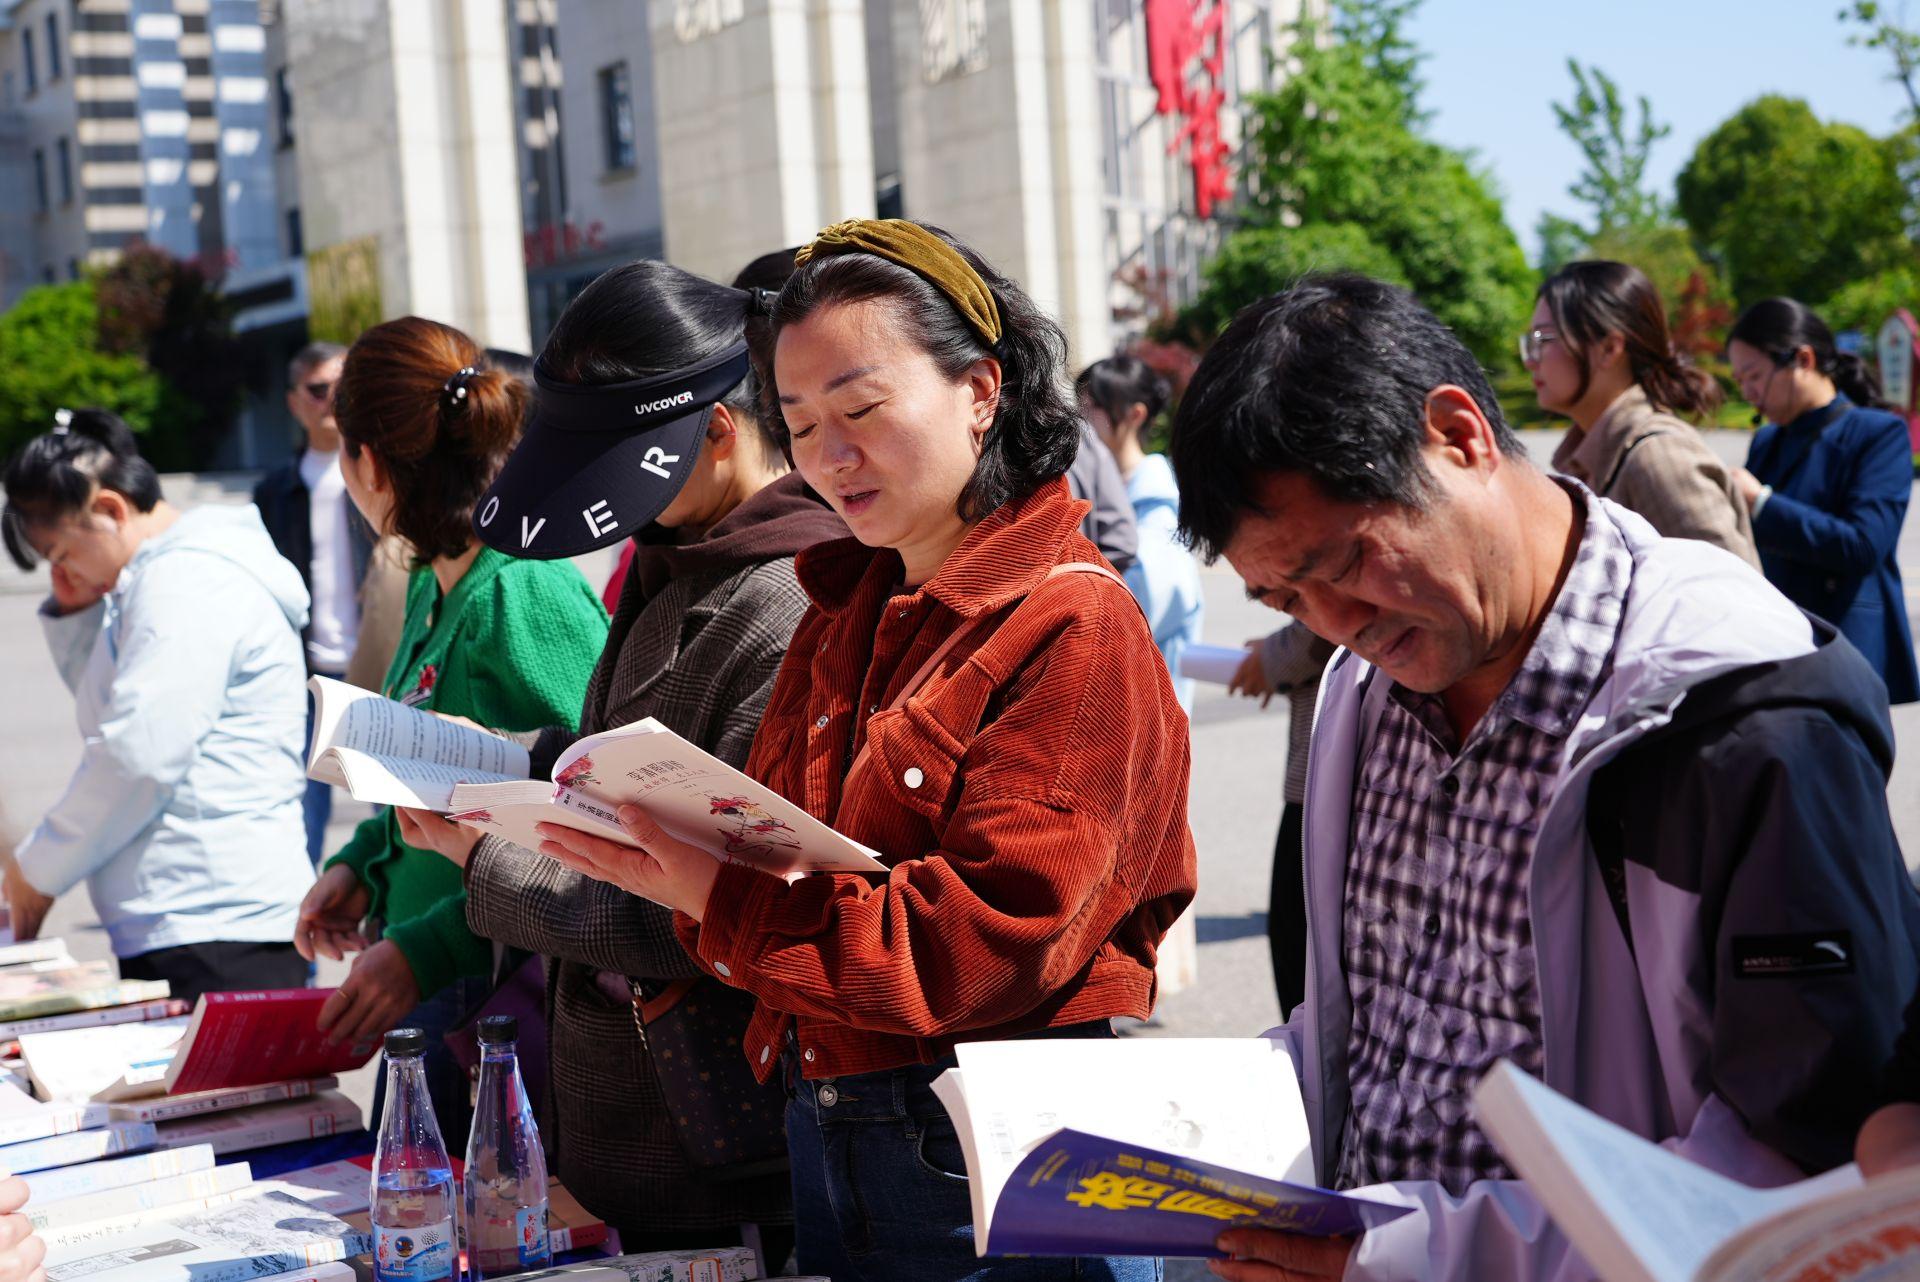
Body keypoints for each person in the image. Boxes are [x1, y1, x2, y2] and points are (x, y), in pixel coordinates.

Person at [1166, 273, 1920, 1282]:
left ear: (1458, 435)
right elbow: (1371, 1032)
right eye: (1284, 597)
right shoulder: (1363, 687)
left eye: (1343, 561)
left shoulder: (1735, 711)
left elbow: (1804, 1160)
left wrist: (1410, 1248)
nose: (1334, 623)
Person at [530, 218, 1197, 1282]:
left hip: (983, 1154)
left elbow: (986, 943)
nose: (830, 457)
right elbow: (792, 847)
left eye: (862, 409)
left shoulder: (1072, 625)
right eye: (798, 423)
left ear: (981, 391)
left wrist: (717, 892)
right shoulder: (843, 606)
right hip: (827, 1122)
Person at [396, 258, 843, 1260]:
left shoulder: (793, 602)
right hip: (629, 1123)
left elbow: (709, 903)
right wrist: (491, 762)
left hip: (719, 1144)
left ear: (719, 432)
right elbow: (606, 761)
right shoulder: (672, 560)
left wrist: (483, 857)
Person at [291, 319, 607, 1146]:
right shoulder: (438, 585)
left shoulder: (522, 591)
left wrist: (426, 951)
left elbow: (596, 823)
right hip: (442, 987)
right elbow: (437, 767)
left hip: (501, 1002)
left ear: (364, 461)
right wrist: (362, 868)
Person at [1, 411, 313, 1003]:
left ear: (112, 511)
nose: (62, 571)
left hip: (215, 924)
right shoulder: (164, 578)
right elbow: (116, 714)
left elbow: (136, 753)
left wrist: (38, 872)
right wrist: (77, 613)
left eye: (61, 552)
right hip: (199, 919)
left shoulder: (188, 581)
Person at [253, 341, 404, 862]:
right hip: (302, 674)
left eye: (342, 389)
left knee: (390, 812)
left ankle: (391, 931)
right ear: (295, 401)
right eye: (319, 390)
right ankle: (299, 928)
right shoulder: (274, 490)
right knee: (299, 817)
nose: (331, 401)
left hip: (380, 667)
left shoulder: (382, 473)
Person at [1728, 297, 1919, 704]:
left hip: (1846, 649)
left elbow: (1863, 546)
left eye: (1754, 376)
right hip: (1776, 648)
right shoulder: (1767, 440)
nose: (1748, 393)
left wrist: (1761, 502)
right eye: (1739, 381)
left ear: (1803, 359)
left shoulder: (1878, 433)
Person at [1525, 260, 1758, 566]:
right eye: (1529, 343)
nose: (1531, 360)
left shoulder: (1658, 457)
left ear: (1609, 348)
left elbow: (1737, 602)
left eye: (1543, 339)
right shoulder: (1594, 458)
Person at [1078, 354, 1204, 709]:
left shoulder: (1157, 509)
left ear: (1135, 415)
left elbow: (1128, 622)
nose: (1081, 422)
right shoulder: (1115, 492)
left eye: (1093, 409)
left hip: (1146, 717)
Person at [1226, 621, 1336, 1018]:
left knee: (1301, 954)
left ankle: (1309, 1073)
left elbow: (1323, 630)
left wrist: (1272, 658)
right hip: (1323, 777)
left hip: (1326, 782)